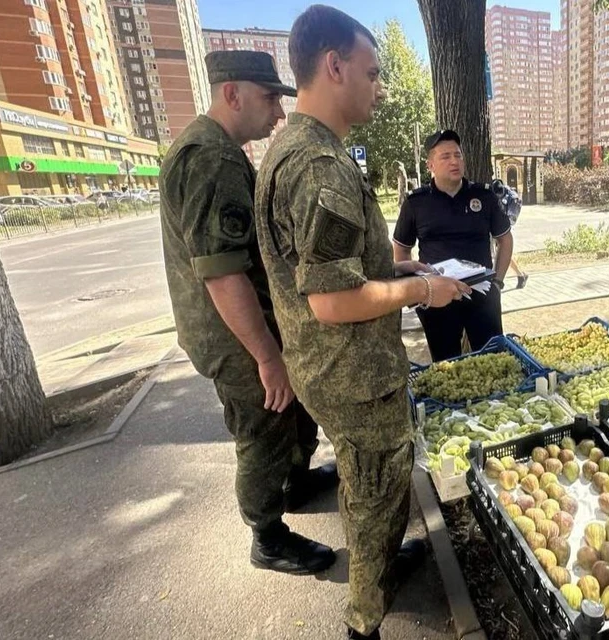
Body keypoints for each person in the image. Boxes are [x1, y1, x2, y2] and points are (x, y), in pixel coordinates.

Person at [252, 7, 472, 639]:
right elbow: (333, 301)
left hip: (327, 365)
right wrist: (422, 290)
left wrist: (404, 272)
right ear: (334, 65)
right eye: (373, 73)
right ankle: (363, 621)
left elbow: (332, 271)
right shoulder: (320, 166)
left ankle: (377, 569)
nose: (381, 86)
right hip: (353, 373)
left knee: (363, 483)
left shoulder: (291, 148)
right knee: (376, 492)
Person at [159, 50, 337, 577]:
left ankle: (297, 481)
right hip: (236, 337)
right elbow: (221, 273)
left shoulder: (221, 150)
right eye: (268, 99)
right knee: (263, 424)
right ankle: (268, 533)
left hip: (252, 325)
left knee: (291, 412)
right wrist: (265, 355)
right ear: (230, 93)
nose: (279, 114)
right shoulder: (209, 158)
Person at [393, 129, 514, 362]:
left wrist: (497, 282)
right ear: (431, 165)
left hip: (482, 294)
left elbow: (505, 240)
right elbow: (401, 248)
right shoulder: (416, 203)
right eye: (445, 156)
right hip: (436, 297)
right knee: (445, 363)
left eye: (458, 155)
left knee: (492, 361)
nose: (454, 161)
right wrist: (412, 288)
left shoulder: (484, 196)